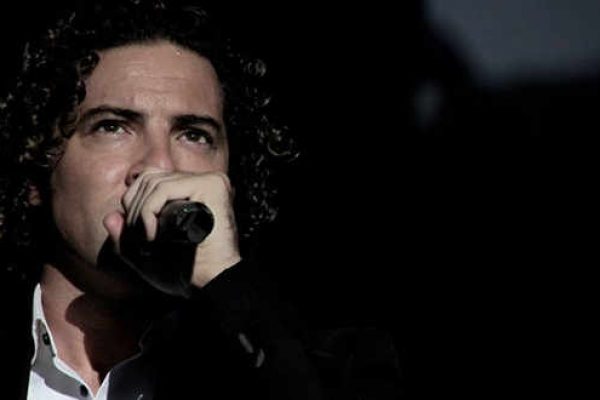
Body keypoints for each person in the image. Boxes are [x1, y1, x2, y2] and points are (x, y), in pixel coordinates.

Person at [0, 1, 402, 399]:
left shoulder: (324, 364)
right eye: (112, 127)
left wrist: (226, 283)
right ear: (36, 166)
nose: (159, 165)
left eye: (193, 135)